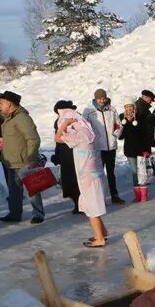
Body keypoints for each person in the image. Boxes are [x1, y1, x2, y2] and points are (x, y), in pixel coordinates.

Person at [54, 101, 110, 248]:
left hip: (87, 176)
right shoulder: (88, 132)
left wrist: (65, 123)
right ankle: (102, 232)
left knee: (91, 207)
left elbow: (57, 137)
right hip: (94, 174)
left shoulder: (79, 134)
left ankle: (99, 238)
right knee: (90, 205)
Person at [0, 90, 45, 224]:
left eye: (2, 102)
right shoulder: (9, 119)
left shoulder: (22, 117)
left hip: (24, 161)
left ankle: (38, 214)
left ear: (9, 103)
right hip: (11, 161)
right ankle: (14, 214)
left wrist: (31, 157)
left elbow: (33, 139)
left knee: (32, 189)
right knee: (14, 191)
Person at [83, 88, 124, 204]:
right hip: (98, 148)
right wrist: (93, 139)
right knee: (98, 174)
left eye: (104, 98)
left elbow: (119, 125)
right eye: (100, 98)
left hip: (111, 146)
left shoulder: (112, 109)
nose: (102, 100)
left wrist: (115, 134)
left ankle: (114, 195)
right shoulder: (89, 111)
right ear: (95, 98)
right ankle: (100, 198)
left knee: (111, 173)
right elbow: (85, 128)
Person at [118, 96, 154, 196]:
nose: (129, 109)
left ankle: (143, 195)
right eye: (126, 107)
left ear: (134, 107)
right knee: (134, 173)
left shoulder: (141, 117)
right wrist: (122, 126)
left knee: (142, 173)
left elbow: (146, 135)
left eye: (130, 106)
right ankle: (138, 195)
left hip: (141, 150)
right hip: (129, 150)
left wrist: (147, 149)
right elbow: (121, 137)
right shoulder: (122, 118)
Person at [52, 108, 80, 214]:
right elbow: (57, 141)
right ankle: (77, 203)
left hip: (74, 155)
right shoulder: (59, 121)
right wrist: (57, 156)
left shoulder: (75, 120)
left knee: (76, 182)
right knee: (68, 183)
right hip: (64, 156)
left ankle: (80, 204)